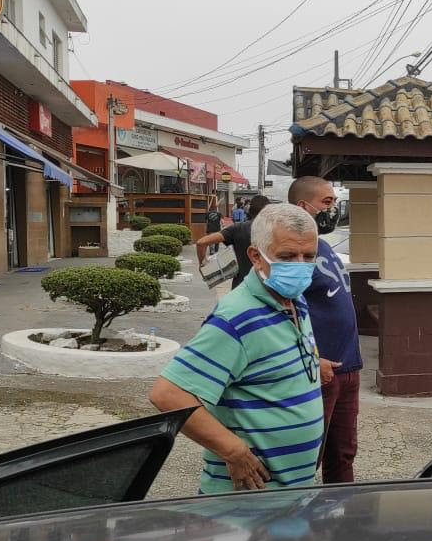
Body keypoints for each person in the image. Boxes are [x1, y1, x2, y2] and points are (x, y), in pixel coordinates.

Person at [148, 204, 324, 493]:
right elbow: (167, 394)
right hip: (246, 504)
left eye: (309, 256)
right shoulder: (236, 317)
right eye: (287, 256)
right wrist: (233, 450)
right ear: (256, 256)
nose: (300, 266)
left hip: (288, 496)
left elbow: (261, 361)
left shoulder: (293, 300)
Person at [290, 176, 363, 483]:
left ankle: (341, 521)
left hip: (348, 368)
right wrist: (312, 358)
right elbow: (284, 310)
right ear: (303, 207)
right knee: (309, 455)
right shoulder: (292, 252)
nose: (333, 210)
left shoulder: (324, 246)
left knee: (343, 453)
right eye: (327, 203)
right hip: (320, 370)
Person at [196, 195, 269, 289]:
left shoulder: (237, 228)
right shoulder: (276, 231)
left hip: (241, 288)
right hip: (268, 289)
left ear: (249, 210)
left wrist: (202, 264)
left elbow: (201, 242)